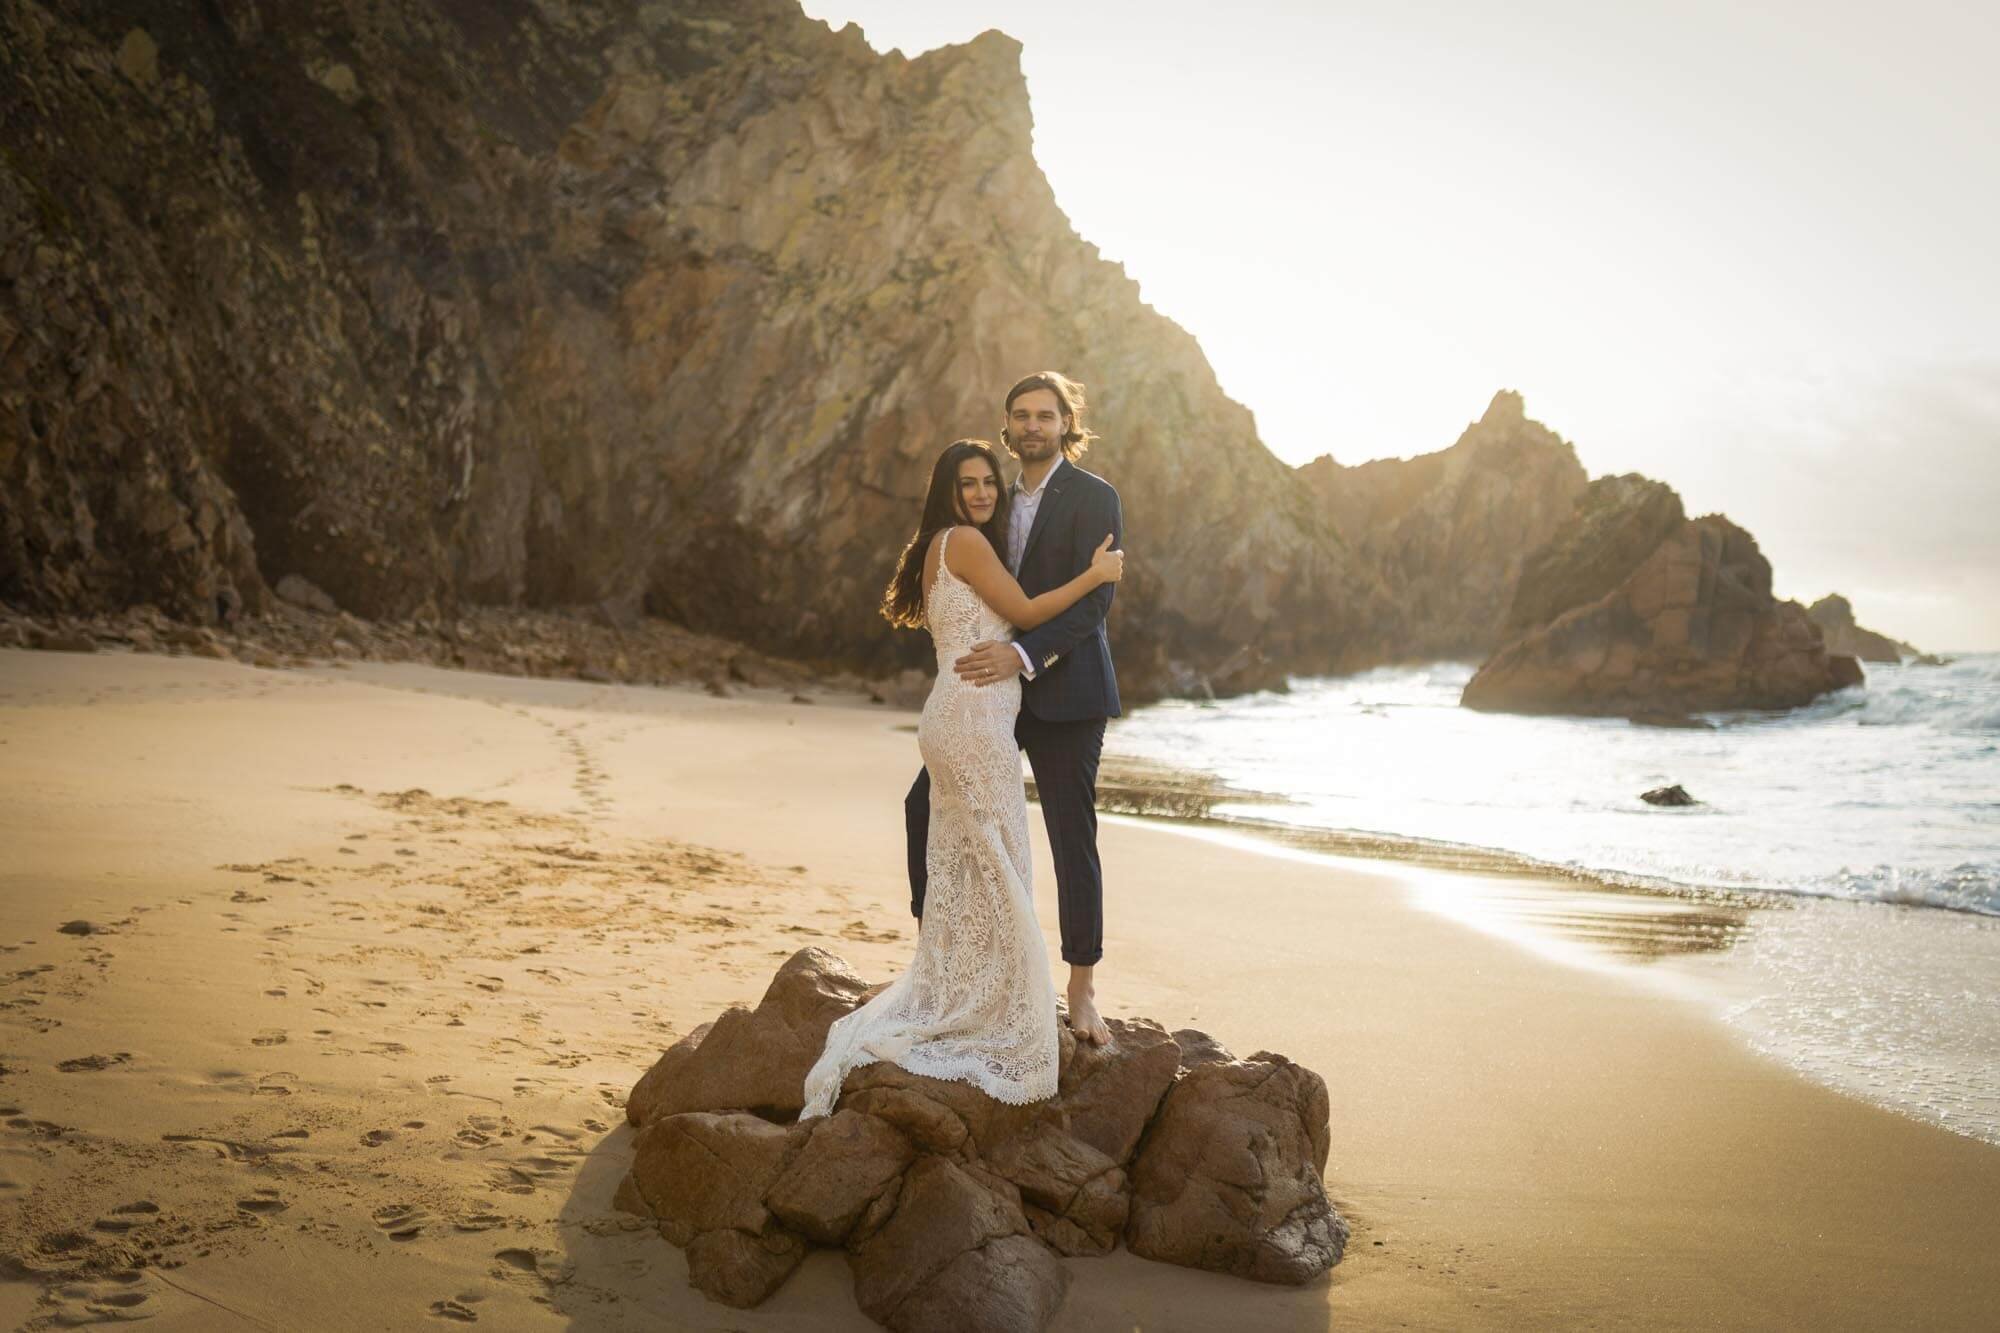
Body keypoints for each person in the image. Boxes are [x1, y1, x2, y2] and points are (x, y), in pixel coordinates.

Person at [800, 437, 1124, 1117]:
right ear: (947, 489)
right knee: (998, 857)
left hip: (956, 713)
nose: (981, 492)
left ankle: (958, 979)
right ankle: (993, 998)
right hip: (973, 719)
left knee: (971, 855)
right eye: (967, 483)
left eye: (987, 483)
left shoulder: (939, 546)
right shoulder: (968, 544)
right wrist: (1097, 577)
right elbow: (1031, 614)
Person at [913, 372, 1123, 1046]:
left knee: (1070, 837)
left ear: (1066, 422)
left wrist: (1024, 657)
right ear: (1008, 427)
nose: (1033, 425)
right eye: (1021, 415)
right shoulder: (991, 500)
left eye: (1045, 414)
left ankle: (1082, 989)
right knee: (924, 807)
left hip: (1065, 692)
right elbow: (979, 595)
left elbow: (1094, 604)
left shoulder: (1096, 497)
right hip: (990, 702)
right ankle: (948, 966)